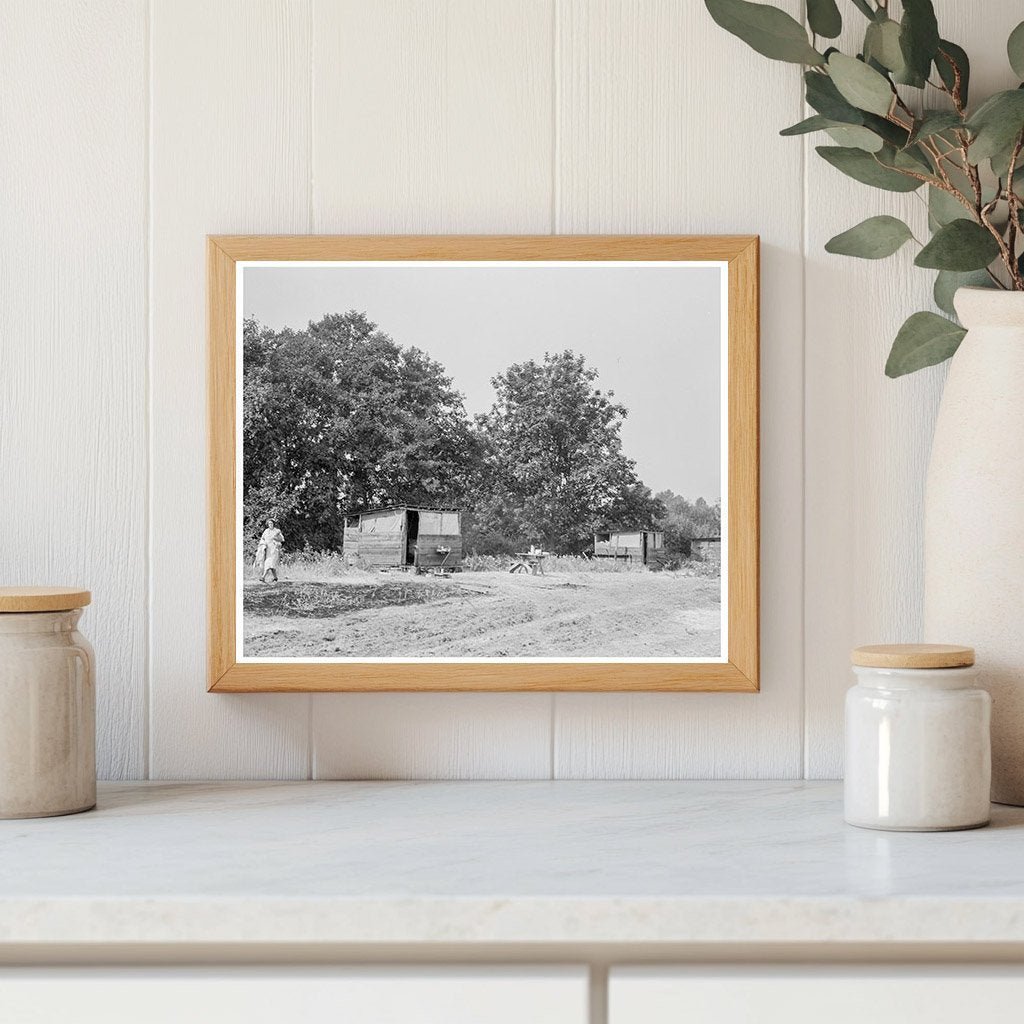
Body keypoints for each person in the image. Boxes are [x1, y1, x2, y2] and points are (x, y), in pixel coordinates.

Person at [254, 518, 284, 583]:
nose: (270, 524)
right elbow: (262, 538)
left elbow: (282, 539)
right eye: (269, 523)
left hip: (274, 550)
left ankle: (263, 577)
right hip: (268, 550)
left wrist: (275, 538)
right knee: (271, 565)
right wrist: (263, 545)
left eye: (271, 523)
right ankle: (275, 578)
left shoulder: (277, 531)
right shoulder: (266, 531)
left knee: (269, 563)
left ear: (273, 524)